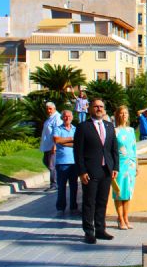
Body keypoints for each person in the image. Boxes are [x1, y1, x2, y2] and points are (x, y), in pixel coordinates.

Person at [73, 99, 119, 244]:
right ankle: (89, 232)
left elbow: (114, 149)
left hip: (106, 170)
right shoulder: (83, 127)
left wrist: (115, 167)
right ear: (90, 109)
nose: (99, 109)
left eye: (101, 106)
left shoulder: (109, 126)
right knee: (89, 202)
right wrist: (81, 171)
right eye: (96, 106)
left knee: (102, 201)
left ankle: (100, 230)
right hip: (90, 170)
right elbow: (78, 151)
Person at [113, 105, 138, 230]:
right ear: (118, 115)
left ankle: (126, 217)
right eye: (121, 113)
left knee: (128, 192)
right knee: (119, 192)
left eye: (126, 113)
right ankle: (120, 219)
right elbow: (112, 150)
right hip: (119, 165)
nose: (124, 115)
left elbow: (134, 148)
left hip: (131, 165)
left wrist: (136, 165)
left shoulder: (131, 130)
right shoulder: (114, 131)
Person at [52, 110, 78, 212]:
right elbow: (56, 140)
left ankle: (73, 206)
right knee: (61, 187)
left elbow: (77, 143)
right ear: (62, 118)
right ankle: (61, 207)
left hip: (74, 162)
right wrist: (71, 138)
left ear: (72, 117)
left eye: (69, 116)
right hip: (62, 163)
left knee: (74, 186)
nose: (67, 118)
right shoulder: (58, 128)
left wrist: (64, 141)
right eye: (65, 116)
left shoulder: (75, 129)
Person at [40, 102, 62, 191]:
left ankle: (54, 184)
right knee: (46, 161)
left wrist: (55, 145)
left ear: (54, 108)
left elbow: (58, 132)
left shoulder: (57, 118)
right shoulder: (50, 118)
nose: (48, 111)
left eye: (50, 109)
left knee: (52, 165)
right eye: (47, 109)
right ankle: (58, 179)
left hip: (53, 145)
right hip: (47, 145)